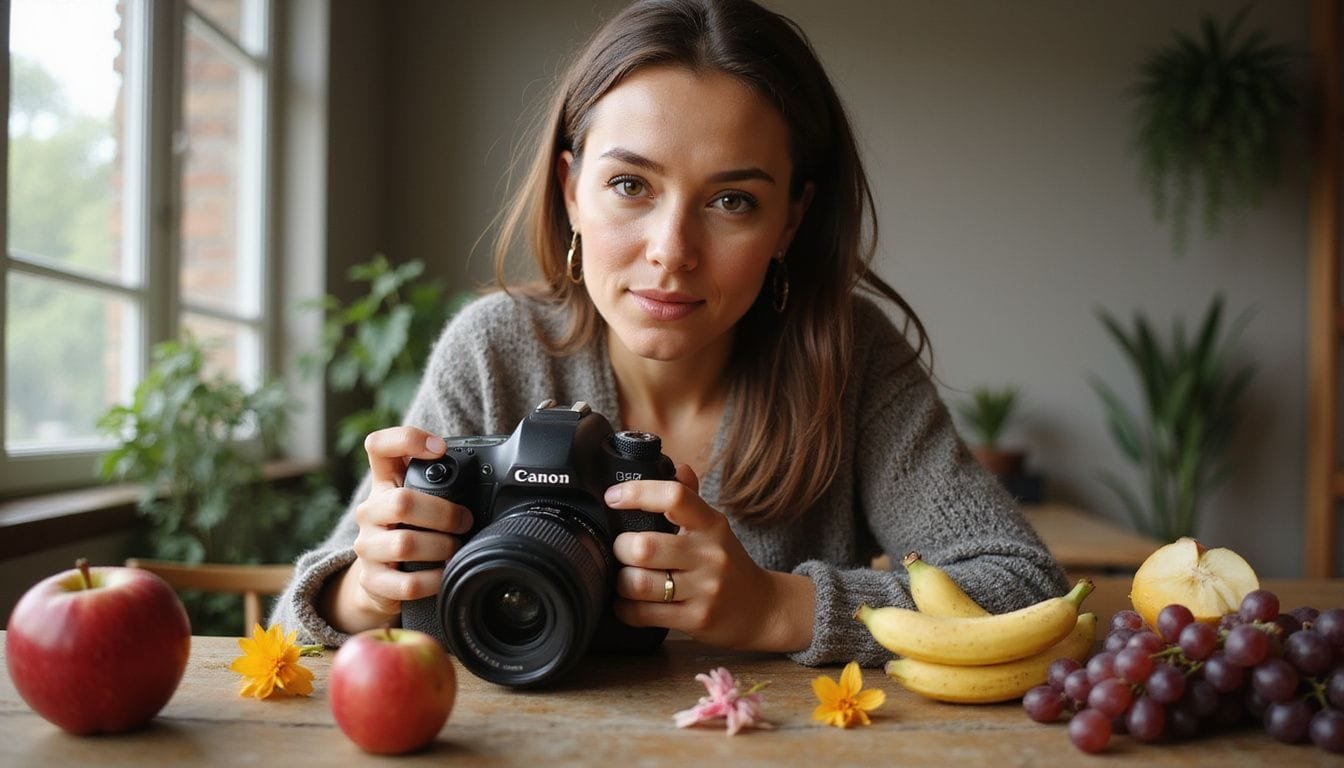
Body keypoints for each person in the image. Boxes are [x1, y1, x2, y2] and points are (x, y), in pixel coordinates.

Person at [272, 0, 1067, 667]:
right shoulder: (494, 348)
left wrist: (778, 609)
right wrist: (367, 590)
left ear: (791, 219)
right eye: (629, 185)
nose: (672, 252)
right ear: (571, 189)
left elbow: (1028, 592)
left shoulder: (850, 358)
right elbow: (288, 632)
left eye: (732, 202)